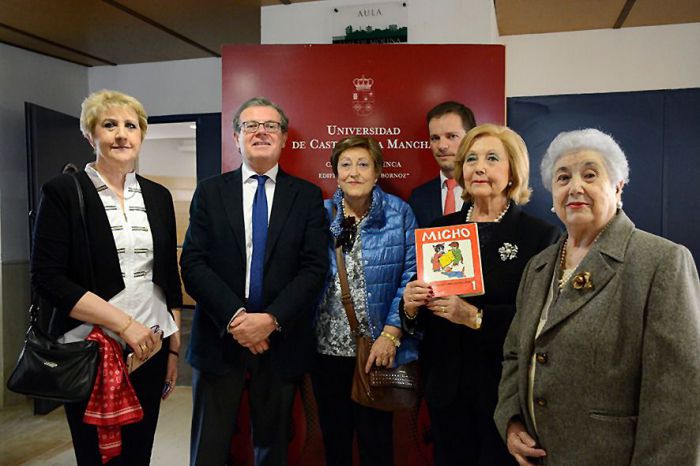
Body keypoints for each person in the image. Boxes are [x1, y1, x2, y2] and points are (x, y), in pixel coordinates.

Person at [494, 128, 700, 466]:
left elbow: (677, 397)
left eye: (590, 175)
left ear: (618, 187)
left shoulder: (661, 261)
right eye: (563, 178)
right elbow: (515, 355)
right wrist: (511, 419)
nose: (575, 187)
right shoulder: (539, 266)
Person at [31, 89, 182, 465]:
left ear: (141, 135)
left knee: (138, 451)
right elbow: (48, 277)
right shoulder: (64, 191)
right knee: (97, 455)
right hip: (89, 348)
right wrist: (124, 324)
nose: (121, 134)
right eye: (109, 125)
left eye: (131, 126)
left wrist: (174, 347)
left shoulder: (158, 195)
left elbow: (165, 274)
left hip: (151, 344)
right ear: (90, 135)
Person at [180, 96, 328, 466]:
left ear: (284, 138)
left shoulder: (307, 196)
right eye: (250, 125)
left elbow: (313, 269)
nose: (261, 131)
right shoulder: (210, 192)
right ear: (236, 137)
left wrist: (270, 320)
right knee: (208, 449)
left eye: (270, 126)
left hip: (281, 342)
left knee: (273, 447)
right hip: (218, 338)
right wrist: (236, 318)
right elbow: (194, 263)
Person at [401, 124, 560, 466]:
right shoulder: (437, 229)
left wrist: (474, 317)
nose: (479, 167)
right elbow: (417, 316)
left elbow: (542, 319)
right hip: (445, 386)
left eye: (491, 158)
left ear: (512, 171)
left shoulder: (540, 236)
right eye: (471, 159)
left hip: (503, 391)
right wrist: (410, 306)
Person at [312, 136, 419, 466]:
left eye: (362, 164)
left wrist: (391, 333)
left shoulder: (399, 213)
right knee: (335, 437)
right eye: (345, 165)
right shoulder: (320, 214)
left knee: (376, 442)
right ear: (335, 173)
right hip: (326, 350)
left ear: (377, 172)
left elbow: (411, 276)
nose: (353, 172)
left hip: (377, 347)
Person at [408, 101, 476, 227]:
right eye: (435, 138)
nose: (441, 146)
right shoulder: (419, 197)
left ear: (470, 139)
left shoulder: (487, 191)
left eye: (451, 136)